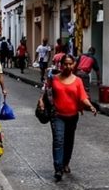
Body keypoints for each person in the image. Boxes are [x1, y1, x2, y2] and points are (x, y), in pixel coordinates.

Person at [37, 53, 97, 182]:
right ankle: (58, 168)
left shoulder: (78, 80)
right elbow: (45, 90)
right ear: (61, 64)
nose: (68, 66)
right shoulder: (53, 78)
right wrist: (41, 101)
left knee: (69, 141)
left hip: (72, 116)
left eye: (70, 64)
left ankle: (65, 163)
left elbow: (83, 97)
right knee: (58, 141)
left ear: (74, 65)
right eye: (65, 64)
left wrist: (90, 106)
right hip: (57, 115)